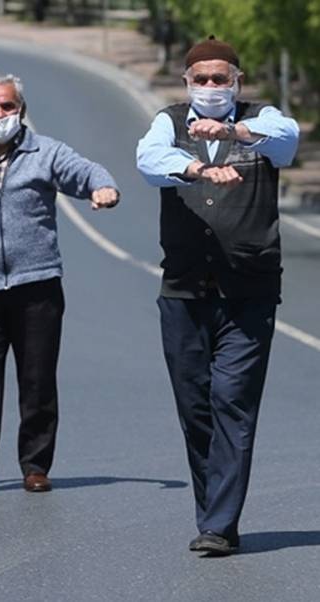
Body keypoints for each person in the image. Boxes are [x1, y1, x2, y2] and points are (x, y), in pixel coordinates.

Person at [136, 37, 299, 557]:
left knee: (233, 401)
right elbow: (148, 159)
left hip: (249, 292)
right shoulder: (169, 122)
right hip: (183, 289)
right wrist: (198, 168)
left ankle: (219, 524)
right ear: (187, 83)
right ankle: (215, 515)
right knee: (196, 407)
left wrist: (232, 131)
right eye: (200, 79)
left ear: (237, 81)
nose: (210, 87)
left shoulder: (260, 119)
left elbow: (286, 139)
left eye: (220, 78)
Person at [0, 74, 119, 496]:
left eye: (8, 106)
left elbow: (84, 171)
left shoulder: (45, 152)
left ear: (21, 110)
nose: (0, 115)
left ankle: (35, 465)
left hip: (37, 286)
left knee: (37, 381)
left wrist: (103, 186)